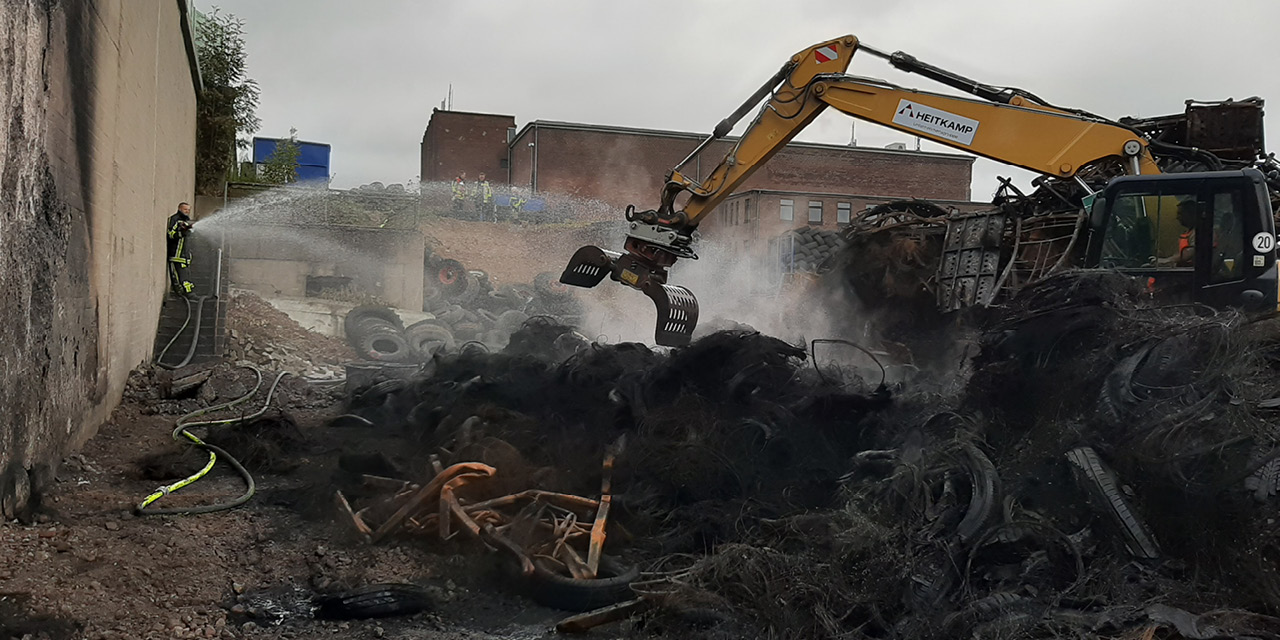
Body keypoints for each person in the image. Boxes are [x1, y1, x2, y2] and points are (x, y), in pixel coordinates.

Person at [167, 202, 194, 295]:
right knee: (178, 278)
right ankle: (181, 293)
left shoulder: (187, 221)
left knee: (186, 277)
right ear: (179, 209)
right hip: (176, 254)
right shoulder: (175, 219)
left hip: (184, 255)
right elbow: (170, 234)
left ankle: (189, 293)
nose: (187, 211)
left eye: (189, 210)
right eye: (185, 209)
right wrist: (181, 233)